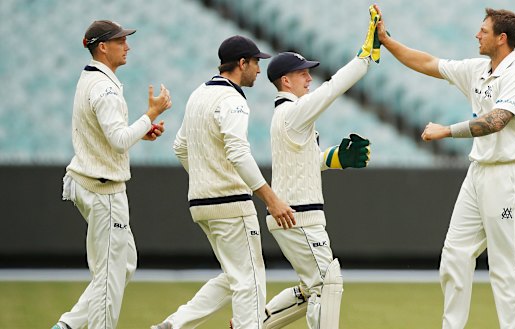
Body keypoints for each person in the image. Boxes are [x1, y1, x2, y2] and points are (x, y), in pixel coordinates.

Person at [375, 5, 515, 329]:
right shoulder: (477, 69)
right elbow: (427, 63)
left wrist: (447, 130)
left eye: (484, 30)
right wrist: (386, 41)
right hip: (478, 171)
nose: (476, 34)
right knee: (454, 255)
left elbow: (497, 121)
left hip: (509, 172)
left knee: (505, 264)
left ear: (502, 38)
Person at [150, 35, 295, 329]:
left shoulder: (198, 94)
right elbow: (238, 152)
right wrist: (272, 199)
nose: (258, 70)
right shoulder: (233, 100)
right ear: (242, 63)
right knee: (250, 280)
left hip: (202, 203)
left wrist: (206, 178)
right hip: (230, 203)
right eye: (255, 63)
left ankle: (174, 325)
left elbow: (180, 146)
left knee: (234, 275)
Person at [260, 7, 378, 328]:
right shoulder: (292, 112)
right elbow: (331, 90)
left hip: (296, 215)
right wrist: (363, 59)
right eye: (302, 73)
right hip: (300, 216)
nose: (309, 78)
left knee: (312, 286)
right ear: (285, 81)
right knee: (328, 283)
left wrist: (336, 159)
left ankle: (251, 323)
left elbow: (307, 162)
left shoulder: (288, 118)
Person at [53, 20, 172, 329]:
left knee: (124, 265)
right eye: (121, 40)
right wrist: (151, 115)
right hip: (102, 189)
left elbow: (111, 135)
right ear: (103, 46)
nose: (127, 46)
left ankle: (67, 326)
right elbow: (118, 140)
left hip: (92, 182)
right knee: (109, 275)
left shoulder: (92, 78)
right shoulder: (104, 87)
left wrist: (142, 129)